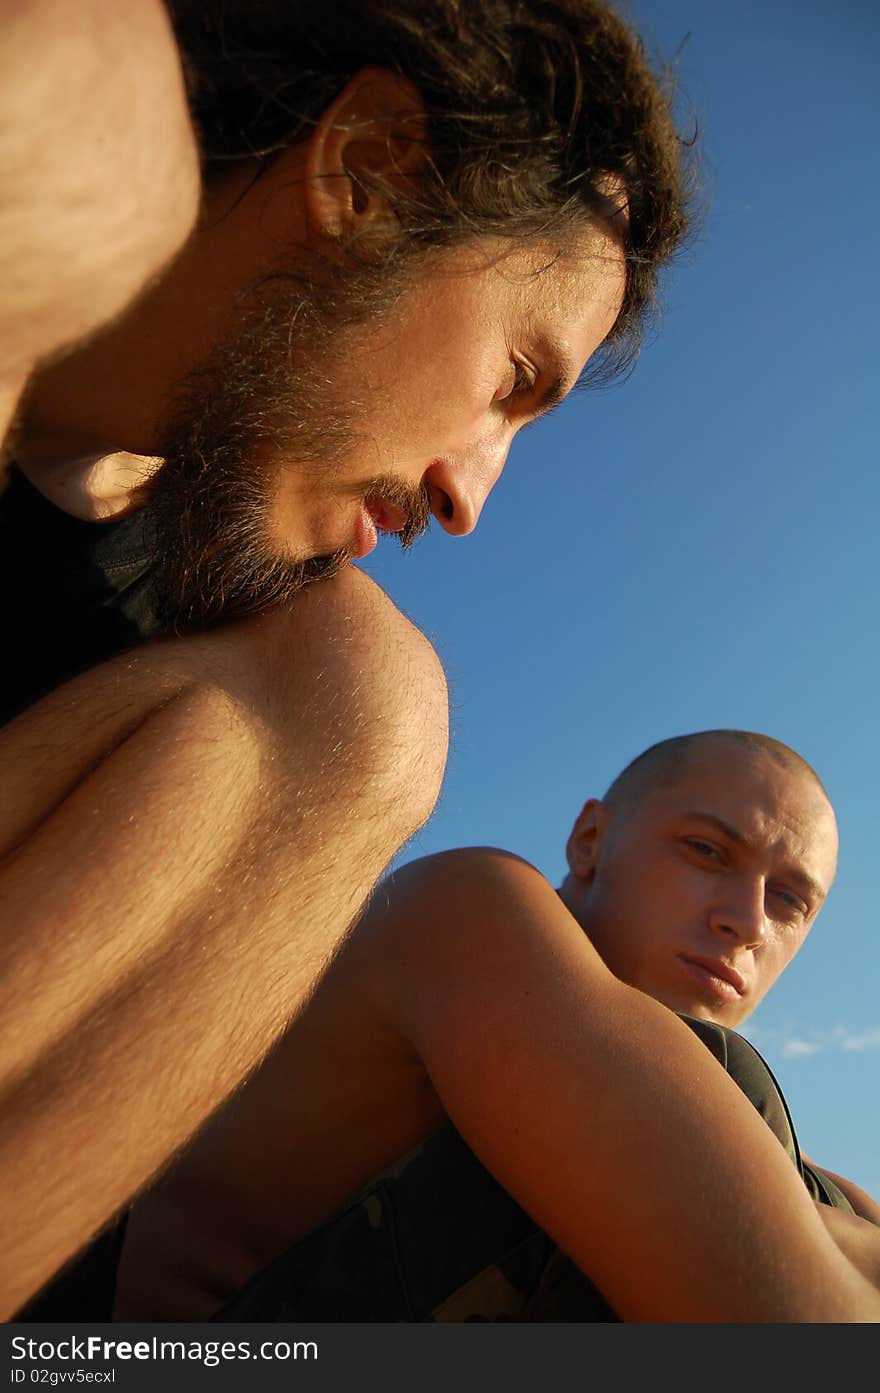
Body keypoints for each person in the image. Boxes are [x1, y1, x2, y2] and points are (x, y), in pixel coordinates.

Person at [0, 2, 692, 1319]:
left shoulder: (257, 650)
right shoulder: (81, 94)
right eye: (512, 383)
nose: (471, 495)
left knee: (372, 691)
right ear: (364, 170)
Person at [107, 730, 880, 1323]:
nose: (745, 922)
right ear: (589, 841)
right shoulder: (473, 910)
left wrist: (808, 1213)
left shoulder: (797, 1166)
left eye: (788, 902)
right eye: (708, 851)